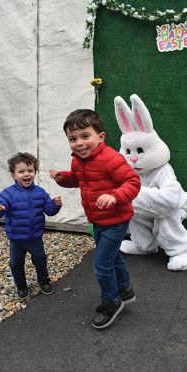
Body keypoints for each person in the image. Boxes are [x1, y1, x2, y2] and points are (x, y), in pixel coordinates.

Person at [50, 109, 140, 329]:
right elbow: (77, 180)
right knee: (112, 256)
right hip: (97, 220)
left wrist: (114, 196)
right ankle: (125, 289)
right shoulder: (78, 161)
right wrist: (62, 178)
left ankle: (111, 302)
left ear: (101, 136)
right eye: (73, 139)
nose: (79, 143)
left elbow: (133, 182)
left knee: (101, 264)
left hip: (116, 220)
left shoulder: (110, 158)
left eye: (85, 136)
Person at [0, 152, 62, 300]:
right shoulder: (8, 193)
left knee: (41, 259)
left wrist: (55, 205)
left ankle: (43, 280)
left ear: (35, 172)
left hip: (35, 237)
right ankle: (21, 284)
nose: (26, 174)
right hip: (16, 239)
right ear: (13, 175)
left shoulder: (40, 192)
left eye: (30, 170)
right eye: (21, 171)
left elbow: (49, 210)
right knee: (16, 263)